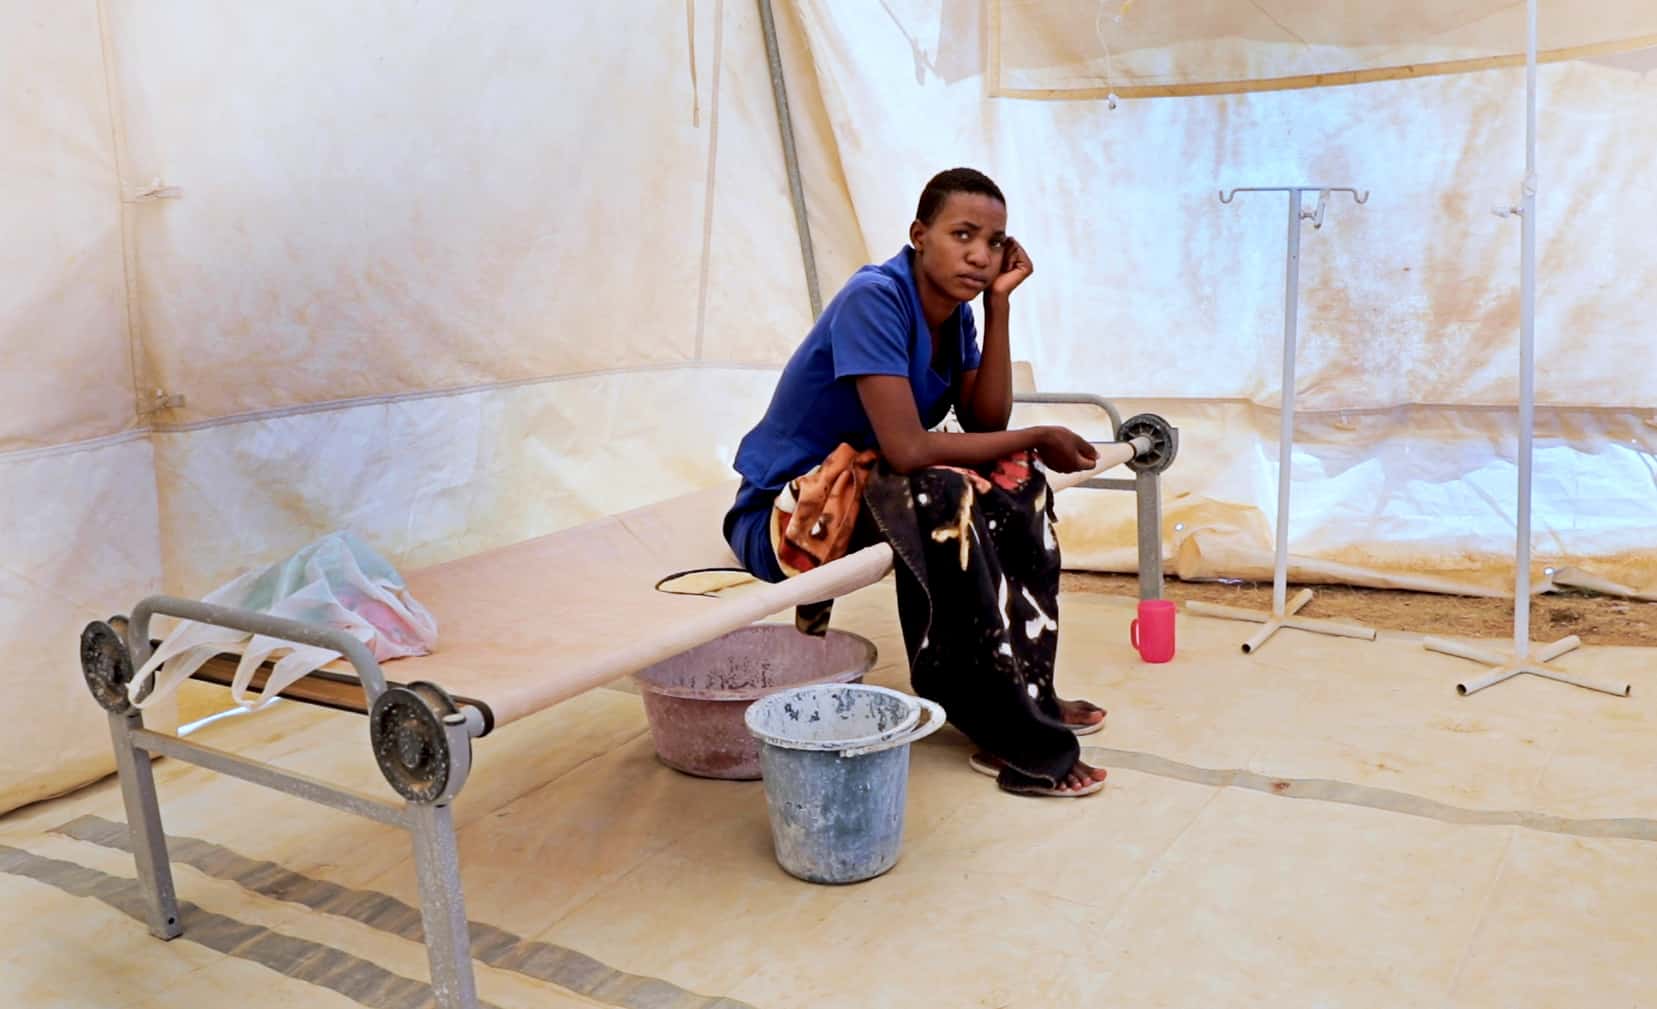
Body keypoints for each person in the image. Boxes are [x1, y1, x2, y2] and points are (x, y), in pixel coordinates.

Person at [722, 167, 1110, 797]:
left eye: (994, 242)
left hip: (862, 496)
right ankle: (1005, 728)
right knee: (943, 493)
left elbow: (987, 419)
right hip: (790, 519)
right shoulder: (874, 298)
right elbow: (907, 449)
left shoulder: (954, 315)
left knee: (1021, 483)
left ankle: (1027, 697)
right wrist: (1035, 435)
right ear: (919, 234)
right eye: (963, 235)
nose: (981, 256)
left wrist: (999, 305)